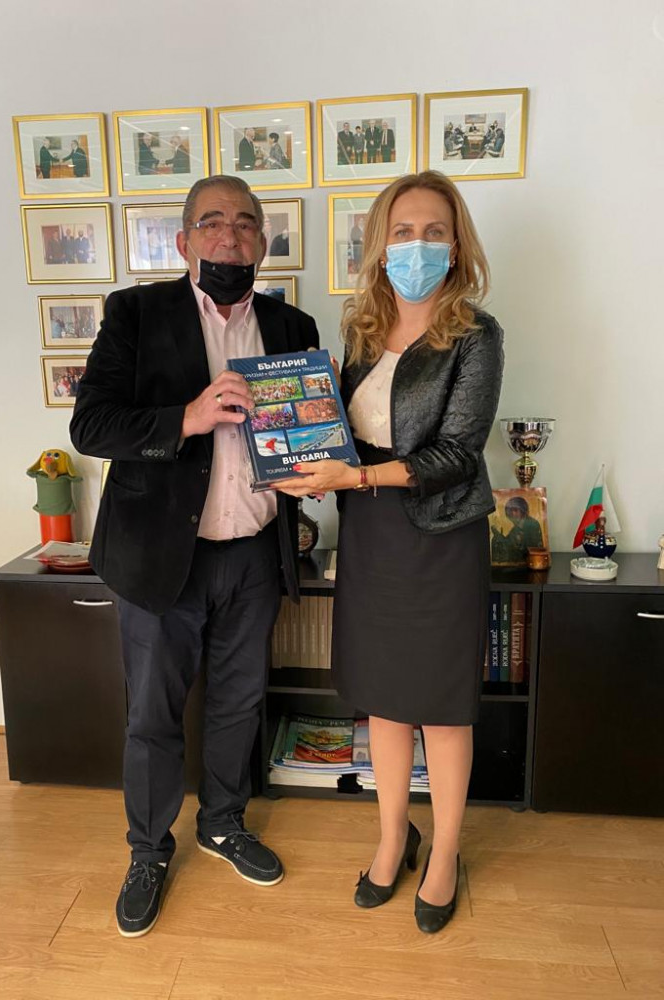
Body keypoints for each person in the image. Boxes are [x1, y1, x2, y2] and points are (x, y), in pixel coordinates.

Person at [69, 174, 319, 939]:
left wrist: (318, 455)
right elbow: (92, 426)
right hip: (159, 559)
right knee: (152, 713)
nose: (229, 236)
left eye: (245, 224)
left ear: (263, 242)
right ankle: (148, 850)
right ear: (183, 241)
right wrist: (187, 416)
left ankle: (222, 822)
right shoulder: (136, 314)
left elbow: (306, 434)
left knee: (240, 702)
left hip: (255, 554)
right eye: (212, 222)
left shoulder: (293, 325)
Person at [273, 170, 503, 934]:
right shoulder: (363, 331)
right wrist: (303, 462)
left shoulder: (476, 335)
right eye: (403, 232)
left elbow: (457, 455)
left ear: (456, 245)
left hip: (440, 537)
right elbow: (340, 431)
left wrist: (357, 476)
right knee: (383, 700)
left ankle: (446, 852)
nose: (418, 246)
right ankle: (392, 837)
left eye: (434, 232)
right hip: (371, 536)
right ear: (380, 244)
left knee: (440, 706)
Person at [491, 495, 543, 563]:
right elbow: (508, 543)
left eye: (516, 510)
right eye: (510, 510)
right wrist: (498, 535)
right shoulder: (516, 528)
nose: (513, 513)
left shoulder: (532, 524)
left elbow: (532, 548)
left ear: (523, 511)